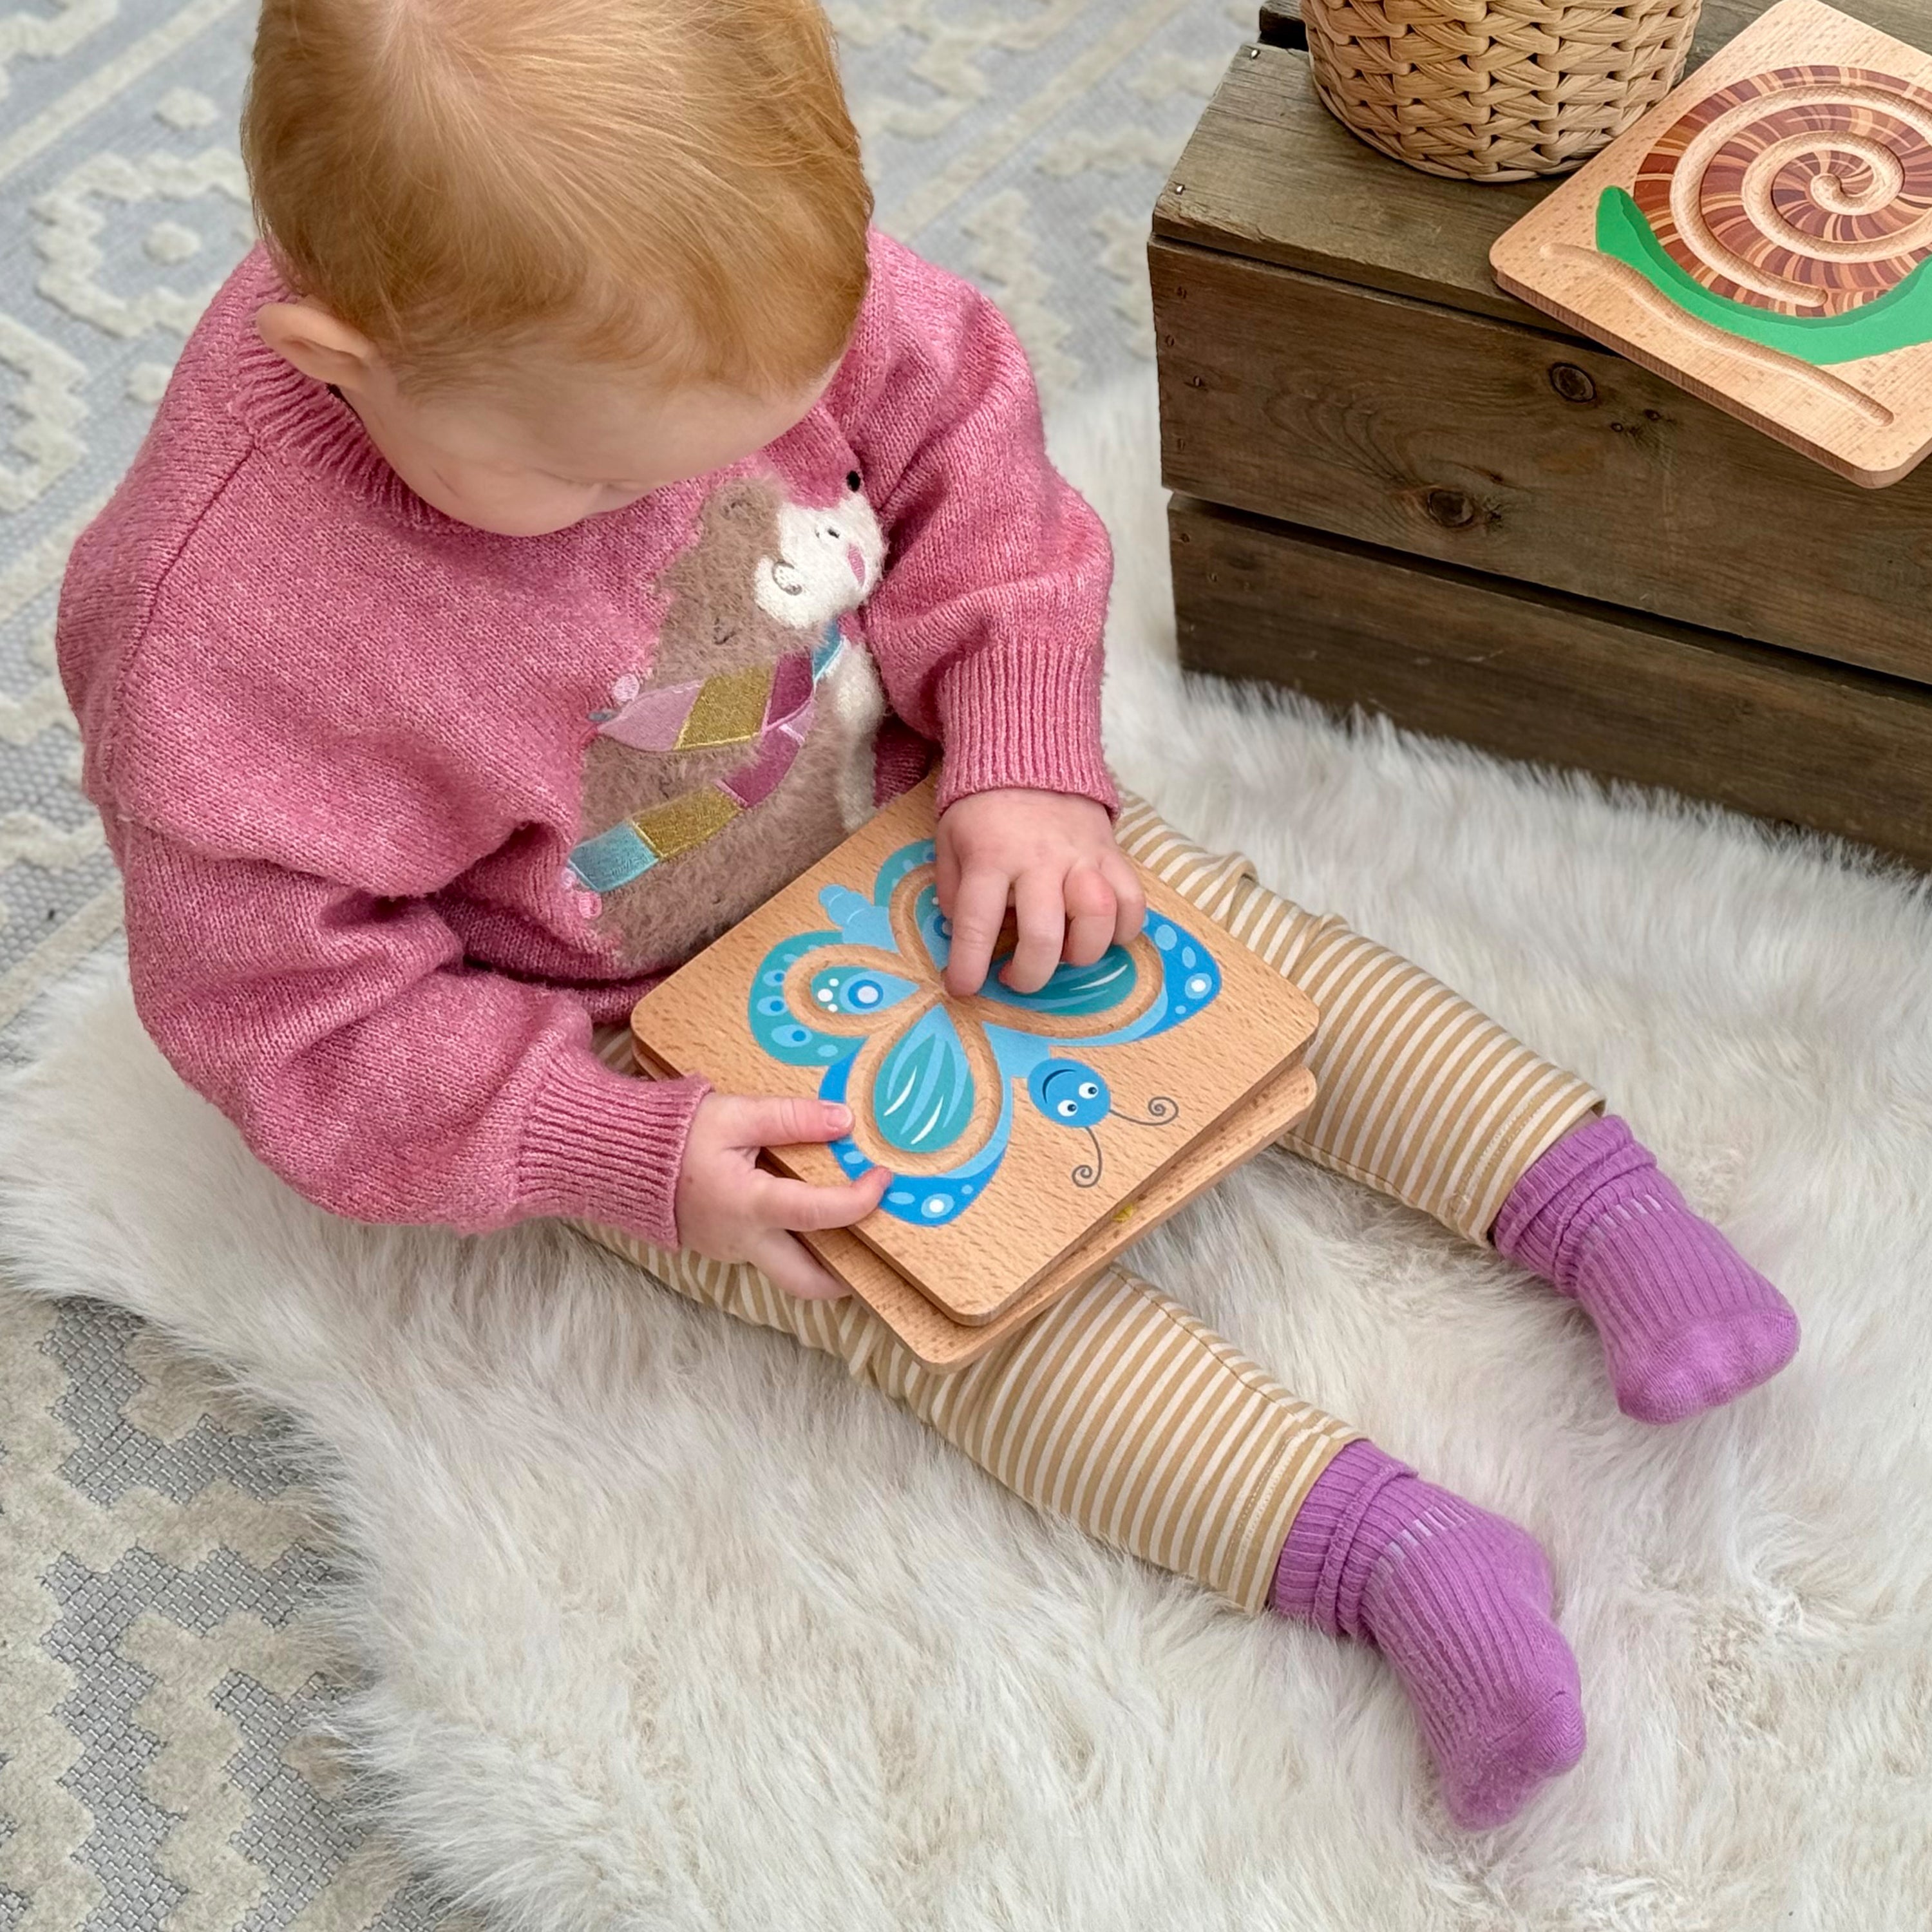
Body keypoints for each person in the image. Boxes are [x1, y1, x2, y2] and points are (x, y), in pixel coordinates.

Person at [56, 0, 1799, 1830]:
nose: (665, 499)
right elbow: (291, 1010)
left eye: (754, 421)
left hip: (924, 807)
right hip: (640, 1033)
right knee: (947, 1297)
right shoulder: (215, 644)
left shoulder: (717, 271)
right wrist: (617, 1147)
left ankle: (1602, 1208)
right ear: (338, 358)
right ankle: (1395, 1558)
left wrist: (1024, 762)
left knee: (1238, 968)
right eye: (599, 481)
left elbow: (975, 468)